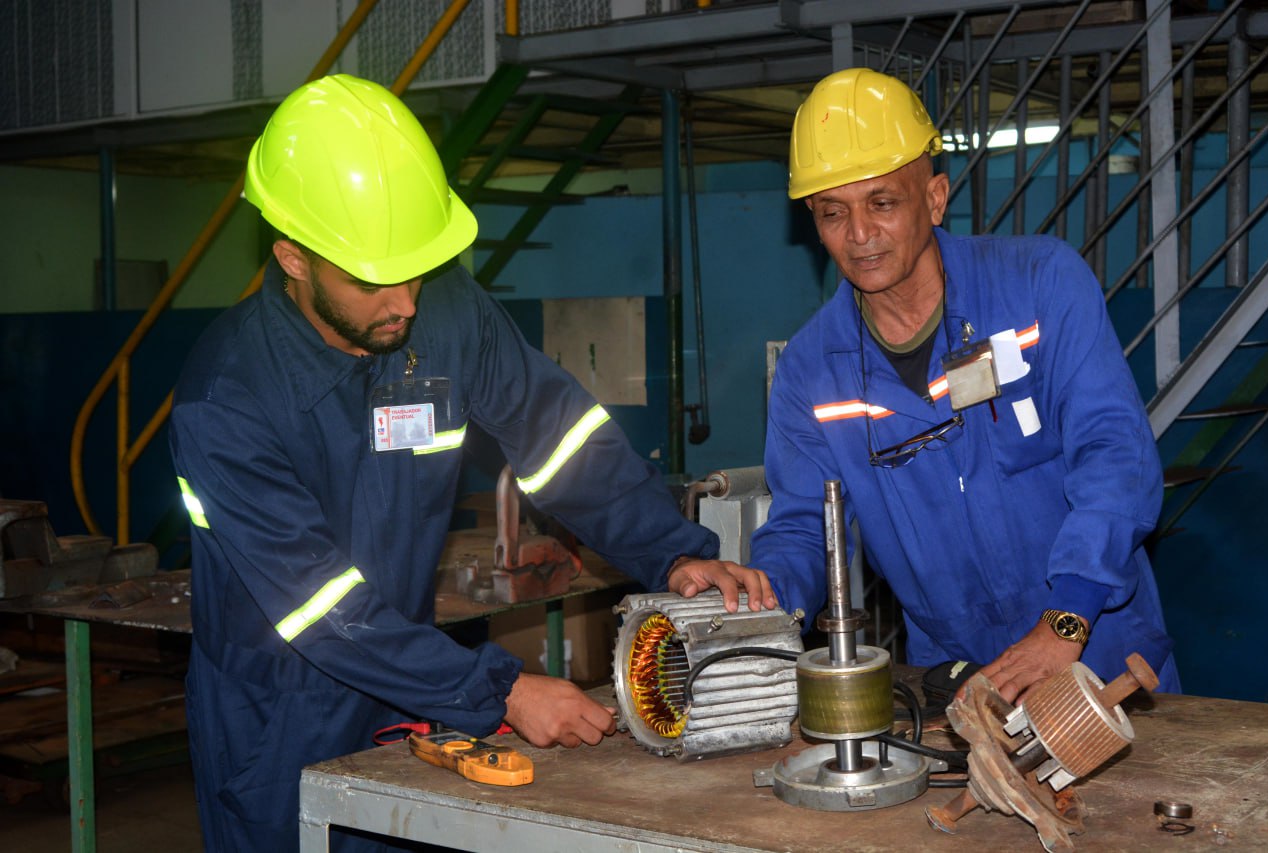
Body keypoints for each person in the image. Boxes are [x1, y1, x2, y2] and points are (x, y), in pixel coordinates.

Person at [168, 74, 773, 852]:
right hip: (280, 723)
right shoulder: (226, 399)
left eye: (416, 268)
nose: (406, 301)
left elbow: (557, 437)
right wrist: (500, 689)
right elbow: (322, 612)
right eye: (372, 279)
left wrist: (673, 551)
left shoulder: (445, 312)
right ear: (292, 256)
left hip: (412, 697)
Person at [748, 67, 1179, 704]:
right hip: (959, 682)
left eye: (883, 203)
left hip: (1105, 657)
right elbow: (807, 530)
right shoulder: (812, 373)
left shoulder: (1038, 286)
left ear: (935, 198)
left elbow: (1115, 456)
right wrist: (753, 595)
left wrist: (1068, 618)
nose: (860, 235)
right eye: (833, 212)